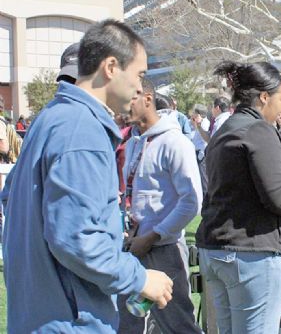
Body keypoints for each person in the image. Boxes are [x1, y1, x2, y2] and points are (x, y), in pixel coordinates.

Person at [0, 19, 173, 333]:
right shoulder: (82, 128)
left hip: (39, 310)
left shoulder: (51, 118)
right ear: (110, 67)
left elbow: (12, 197)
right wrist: (140, 278)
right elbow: (76, 239)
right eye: (139, 75)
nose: (139, 88)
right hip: (68, 319)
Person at [196, 60, 281, 334]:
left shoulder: (224, 129)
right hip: (250, 255)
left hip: (216, 249)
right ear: (264, 96)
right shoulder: (258, 130)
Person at [118, 78, 202, 334]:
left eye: (130, 98)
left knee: (177, 325)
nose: (124, 106)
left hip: (163, 251)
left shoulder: (175, 143)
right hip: (132, 248)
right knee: (127, 323)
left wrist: (154, 236)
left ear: (148, 98)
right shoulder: (132, 142)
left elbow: (192, 201)